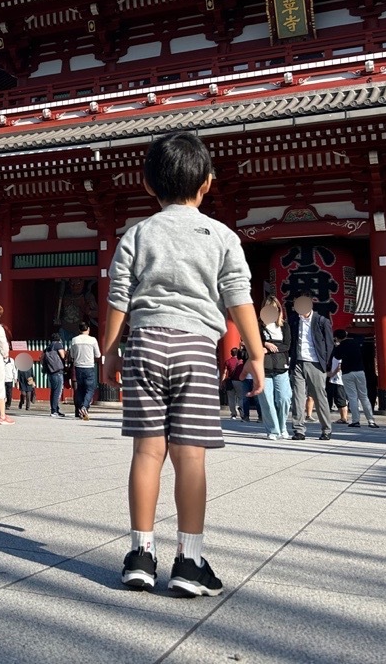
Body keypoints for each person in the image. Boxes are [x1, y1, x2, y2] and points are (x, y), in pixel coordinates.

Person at [102, 131, 265, 597]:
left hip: (146, 345)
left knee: (146, 453)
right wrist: (254, 354)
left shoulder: (137, 234)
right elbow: (239, 298)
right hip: (196, 347)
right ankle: (189, 561)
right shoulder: (223, 236)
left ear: (149, 185)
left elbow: (119, 299)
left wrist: (112, 349)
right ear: (208, 183)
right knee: (189, 455)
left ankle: (140, 554)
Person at [288, 294, 334, 441]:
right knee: (298, 397)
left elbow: (329, 344)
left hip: (315, 363)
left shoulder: (321, 321)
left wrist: (325, 363)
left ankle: (326, 429)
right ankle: (299, 430)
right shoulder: (294, 320)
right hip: (298, 362)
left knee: (320, 397)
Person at [257, 296, 291, 441]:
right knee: (267, 400)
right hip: (264, 367)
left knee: (284, 398)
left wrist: (270, 347)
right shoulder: (258, 326)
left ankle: (282, 426)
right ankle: (273, 430)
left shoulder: (284, 326)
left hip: (281, 366)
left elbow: (287, 345)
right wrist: (264, 344)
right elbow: (252, 343)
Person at [334, 329, 376, 428]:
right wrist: (349, 333)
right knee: (364, 397)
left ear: (336, 337)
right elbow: (361, 337)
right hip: (359, 371)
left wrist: (336, 344)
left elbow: (336, 356)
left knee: (352, 397)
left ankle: (356, 421)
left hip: (347, 373)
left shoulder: (340, 347)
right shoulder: (355, 342)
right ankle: (371, 421)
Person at [68, 321, 101, 420]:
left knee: (80, 389)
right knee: (90, 389)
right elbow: (98, 354)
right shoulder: (92, 340)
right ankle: (84, 407)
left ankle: (80, 409)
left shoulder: (74, 340)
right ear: (88, 329)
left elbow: (72, 355)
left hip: (78, 367)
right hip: (89, 366)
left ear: (79, 330)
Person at [42, 332, 68, 418]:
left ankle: (55, 409)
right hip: (58, 371)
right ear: (59, 338)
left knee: (53, 391)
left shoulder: (48, 348)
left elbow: (41, 358)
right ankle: (54, 411)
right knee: (57, 391)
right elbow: (63, 356)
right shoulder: (58, 345)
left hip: (51, 371)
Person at [222, 348, 244, 419]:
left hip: (230, 382)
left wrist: (222, 382)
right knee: (241, 397)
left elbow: (225, 373)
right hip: (239, 381)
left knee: (231, 399)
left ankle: (233, 414)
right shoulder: (241, 362)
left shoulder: (227, 361)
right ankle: (242, 412)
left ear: (231, 353)